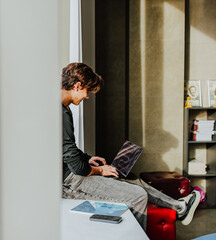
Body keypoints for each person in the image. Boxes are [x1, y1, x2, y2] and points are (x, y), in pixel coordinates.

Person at [61, 62, 200, 230]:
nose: (87, 96)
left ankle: (180, 207)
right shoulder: (61, 113)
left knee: (128, 176)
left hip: (73, 175)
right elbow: (77, 167)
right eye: (87, 91)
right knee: (138, 196)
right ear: (77, 86)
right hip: (68, 182)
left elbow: (66, 149)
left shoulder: (62, 109)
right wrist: (100, 170)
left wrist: (88, 158)